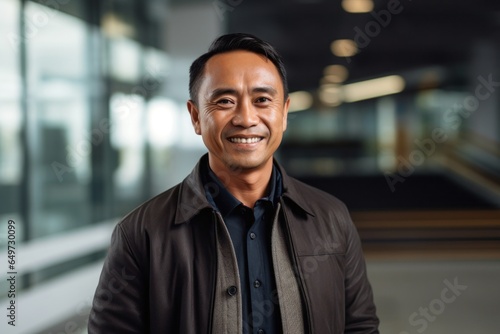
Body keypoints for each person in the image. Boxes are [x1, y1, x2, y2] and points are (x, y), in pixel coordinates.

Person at [88, 33, 379, 334]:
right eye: (225, 101)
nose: (245, 118)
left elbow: (360, 327)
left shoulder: (331, 218)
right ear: (196, 116)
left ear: (284, 114)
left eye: (262, 100)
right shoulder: (142, 234)